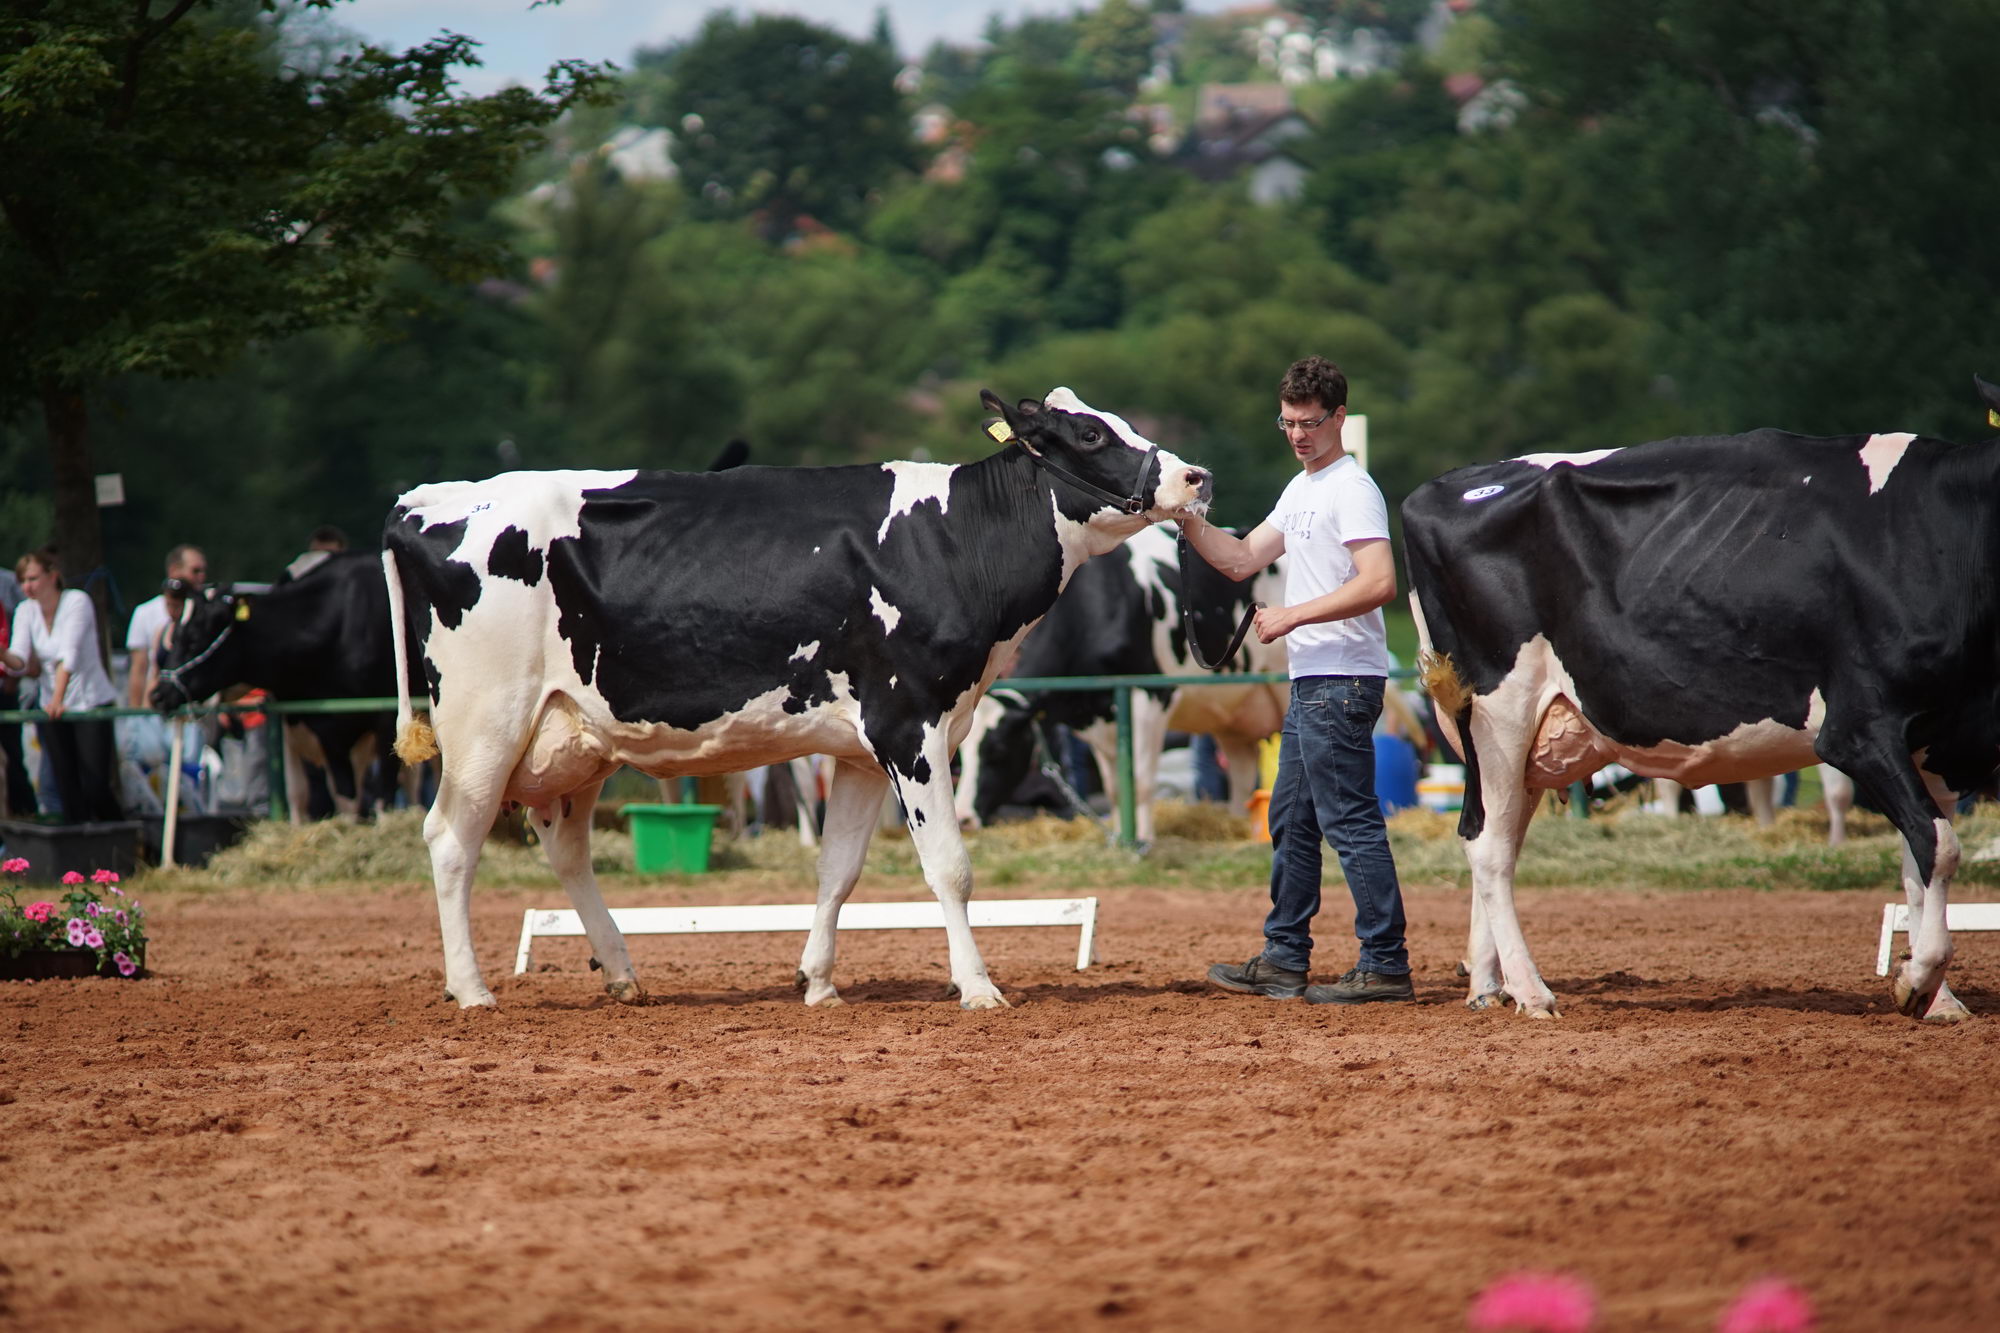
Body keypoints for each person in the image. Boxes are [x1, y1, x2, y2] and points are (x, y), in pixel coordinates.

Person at [1179, 355, 1413, 1004]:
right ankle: (1284, 957)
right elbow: (1241, 558)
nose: (1298, 435)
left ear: (1339, 416)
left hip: (1341, 676)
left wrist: (1291, 614)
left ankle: (1385, 962)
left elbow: (1379, 582)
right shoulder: (1301, 488)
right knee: (1292, 819)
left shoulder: (1351, 488)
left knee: (1350, 821)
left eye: (1310, 422)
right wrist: (1181, 515)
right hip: (1314, 679)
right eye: (1287, 423)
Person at [3, 549, 124, 822]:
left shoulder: (76, 602)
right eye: (23, 580)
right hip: (52, 706)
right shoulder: (26, 610)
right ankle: (80, 853)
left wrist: (58, 699)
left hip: (88, 703)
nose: (27, 587)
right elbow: (20, 659)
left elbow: (68, 655)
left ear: (52, 576)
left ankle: (122, 841)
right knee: (67, 788)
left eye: (33, 578)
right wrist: (3, 653)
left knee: (95, 786)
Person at [125, 544, 207, 707]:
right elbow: (139, 670)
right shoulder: (144, 613)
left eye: (203, 571)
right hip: (156, 705)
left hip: (193, 710)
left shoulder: (207, 612)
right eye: (195, 571)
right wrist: (135, 716)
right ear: (174, 570)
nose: (202, 577)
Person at [279, 524, 347, 583]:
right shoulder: (294, 572)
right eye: (316, 552)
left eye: (328, 552)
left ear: (342, 552)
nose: (320, 557)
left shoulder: (350, 577)